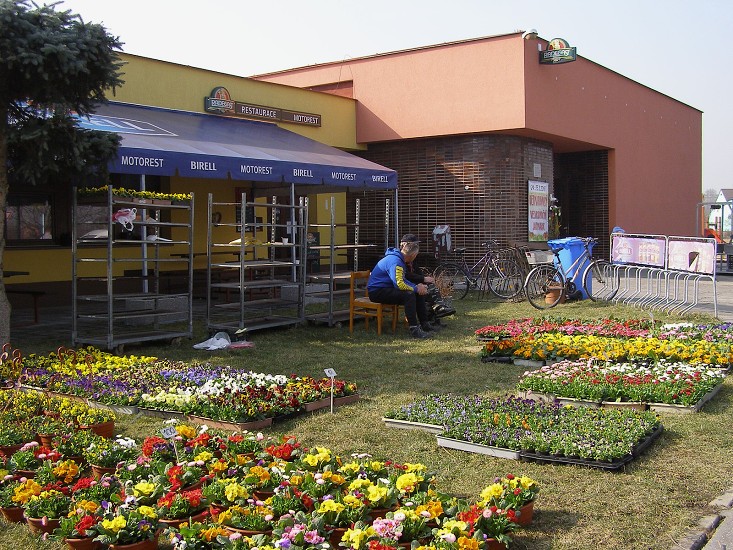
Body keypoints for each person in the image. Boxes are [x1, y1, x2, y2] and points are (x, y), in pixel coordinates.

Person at [367, 234, 439, 339]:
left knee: (417, 294)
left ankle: (425, 324)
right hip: (377, 292)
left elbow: (402, 280)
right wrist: (416, 288)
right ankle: (414, 330)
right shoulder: (396, 262)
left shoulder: (399, 259)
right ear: (413, 255)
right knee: (409, 295)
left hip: (386, 288)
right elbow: (399, 284)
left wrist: (417, 287)